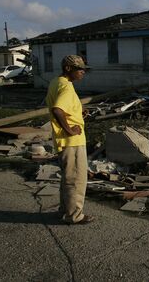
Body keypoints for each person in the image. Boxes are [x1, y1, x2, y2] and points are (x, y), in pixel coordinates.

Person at [45, 55, 94, 225]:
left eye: (84, 70)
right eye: (80, 69)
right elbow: (58, 110)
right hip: (72, 141)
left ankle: (64, 211)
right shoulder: (66, 86)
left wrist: (78, 113)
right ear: (68, 69)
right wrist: (70, 129)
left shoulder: (56, 82)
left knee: (68, 177)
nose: (83, 73)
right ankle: (74, 215)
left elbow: (63, 109)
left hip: (64, 141)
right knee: (76, 179)